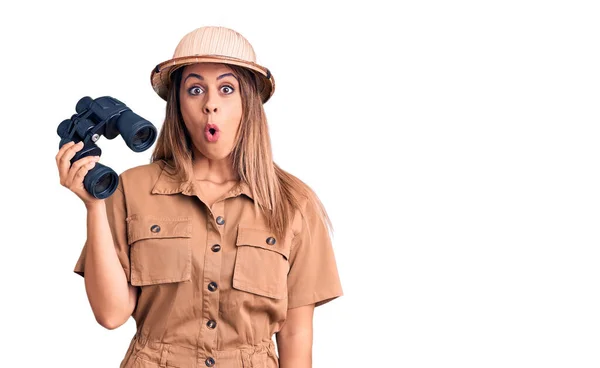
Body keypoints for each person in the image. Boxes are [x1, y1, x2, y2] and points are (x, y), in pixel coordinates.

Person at [55, 26, 343, 367]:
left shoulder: (294, 203)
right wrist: (93, 206)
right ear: (178, 105)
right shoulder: (130, 189)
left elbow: (295, 335)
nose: (210, 105)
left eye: (226, 89)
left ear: (248, 103)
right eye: (195, 90)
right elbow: (111, 313)